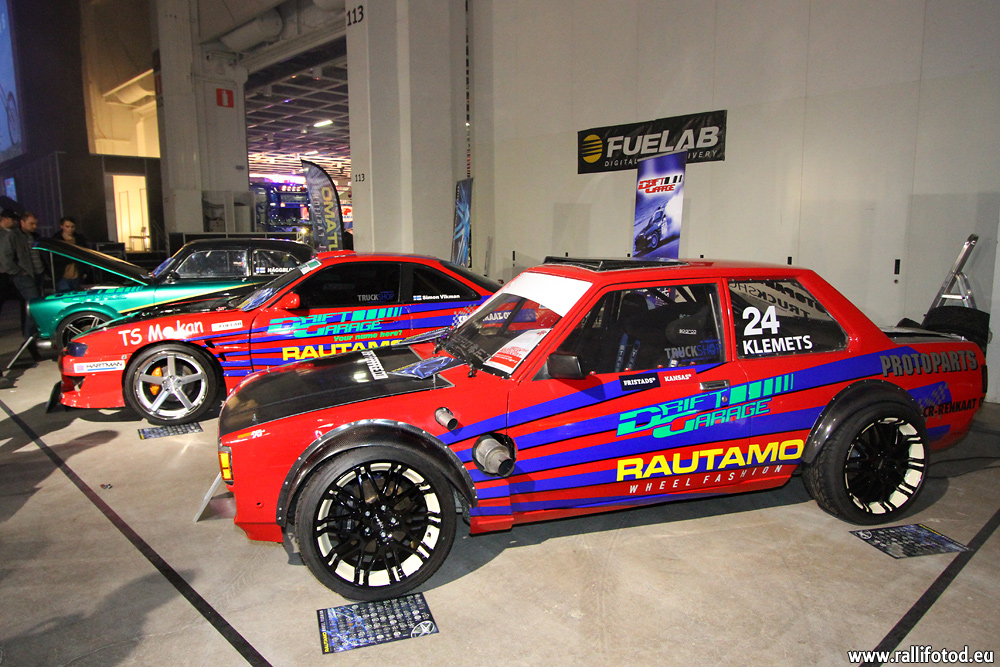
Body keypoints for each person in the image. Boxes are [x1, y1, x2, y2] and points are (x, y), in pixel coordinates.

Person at [0, 210, 45, 341]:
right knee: (33, 304)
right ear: (22, 223)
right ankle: (29, 337)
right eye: (31, 224)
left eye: (35, 224)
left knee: (34, 304)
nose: (34, 226)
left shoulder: (33, 236)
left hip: (37, 274)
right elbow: (6, 258)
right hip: (24, 276)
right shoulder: (13, 236)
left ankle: (32, 334)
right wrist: (19, 271)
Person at [50, 215, 88, 292]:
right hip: (62, 276)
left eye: (72, 227)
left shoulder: (79, 239)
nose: (70, 229)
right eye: (67, 227)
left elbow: (86, 256)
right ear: (61, 226)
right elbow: (56, 259)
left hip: (77, 275)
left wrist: (85, 271)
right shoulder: (56, 240)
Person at [0, 209, 18, 319]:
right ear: (5, 219)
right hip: (3, 272)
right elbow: (5, 255)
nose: (15, 222)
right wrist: (14, 269)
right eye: (12, 219)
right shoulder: (4, 234)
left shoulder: (8, 233)